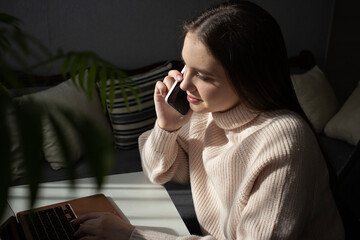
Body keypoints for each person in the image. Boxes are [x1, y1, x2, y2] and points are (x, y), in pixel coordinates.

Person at [72, 1, 345, 239]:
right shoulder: (205, 114)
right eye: (185, 65)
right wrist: (167, 126)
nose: (184, 83)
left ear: (249, 80)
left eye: (203, 75)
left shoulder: (284, 139)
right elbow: (157, 171)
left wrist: (132, 236)